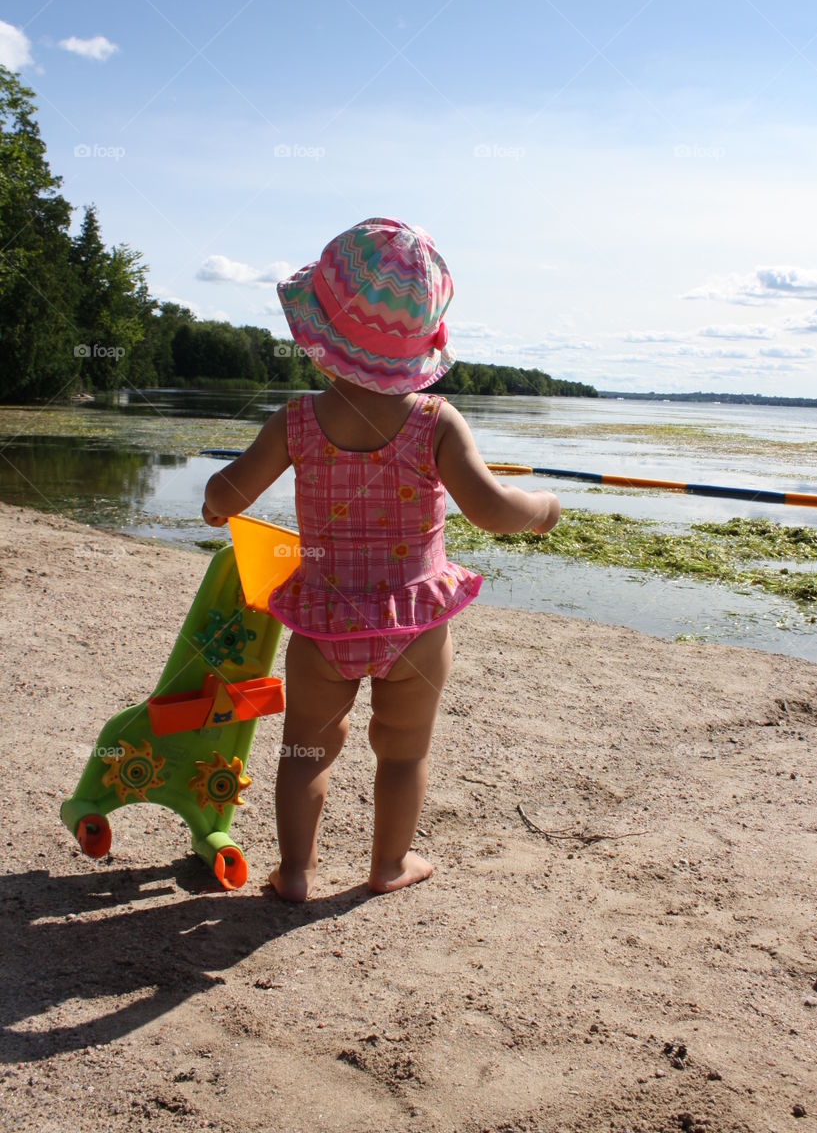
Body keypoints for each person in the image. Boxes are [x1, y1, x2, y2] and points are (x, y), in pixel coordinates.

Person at [202, 218, 560, 901]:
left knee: (307, 746)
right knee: (403, 750)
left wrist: (218, 505)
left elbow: (228, 492)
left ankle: (297, 872)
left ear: (321, 341)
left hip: (323, 618)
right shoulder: (434, 422)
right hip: (413, 624)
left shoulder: (296, 422)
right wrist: (540, 508)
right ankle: (388, 866)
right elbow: (490, 509)